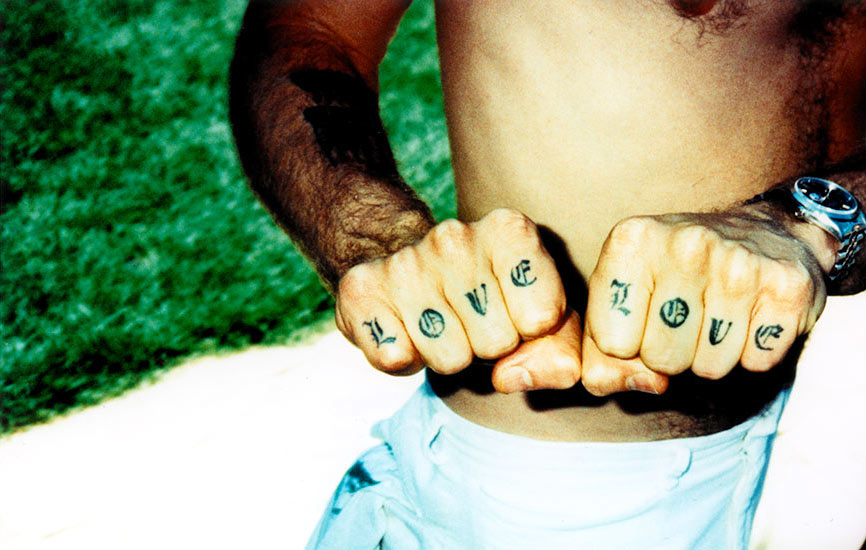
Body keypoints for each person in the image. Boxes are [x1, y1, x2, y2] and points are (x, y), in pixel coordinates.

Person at [229, 1, 866, 548]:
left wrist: (808, 224)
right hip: (550, 498)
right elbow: (310, 25)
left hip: (824, 448)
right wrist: (374, 234)